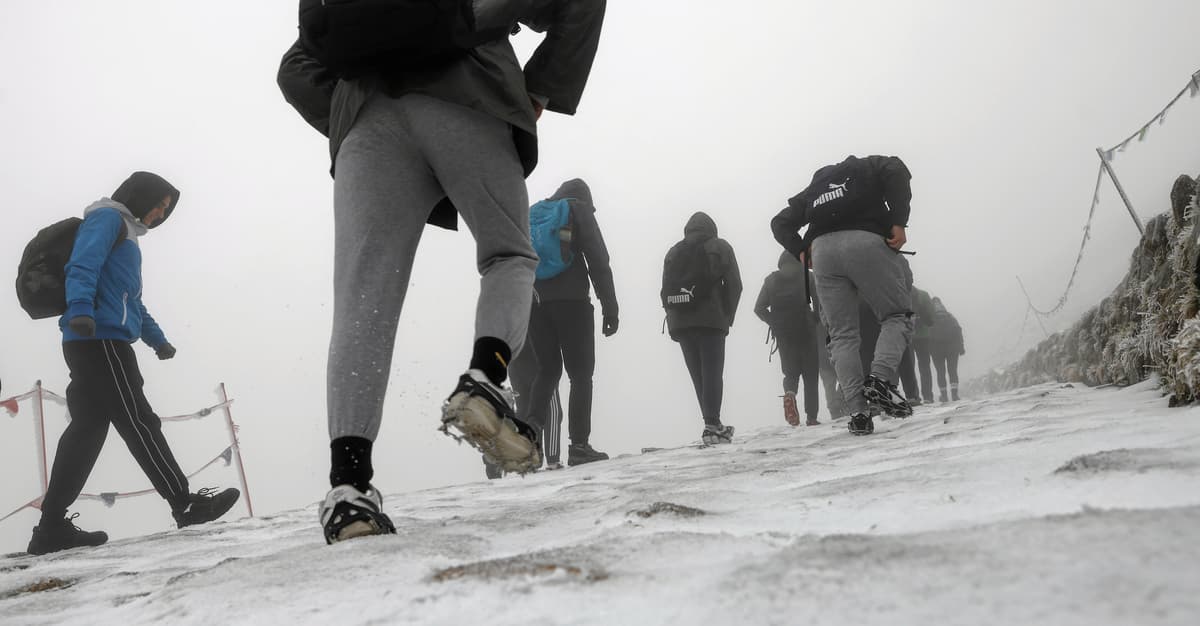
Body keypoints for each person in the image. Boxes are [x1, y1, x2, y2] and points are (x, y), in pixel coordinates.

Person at [277, 1, 607, 543]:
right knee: (507, 255)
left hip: (365, 119)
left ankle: (349, 489)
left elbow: (295, 64)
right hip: (470, 95)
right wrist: (538, 90)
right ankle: (484, 379)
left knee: (364, 302)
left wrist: (345, 115)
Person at [28, 172, 241, 556]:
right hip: (99, 338)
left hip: (98, 338)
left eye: (167, 210)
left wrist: (158, 340)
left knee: (87, 431)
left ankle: (50, 529)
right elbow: (82, 264)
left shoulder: (126, 234)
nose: (161, 213)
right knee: (138, 420)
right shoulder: (108, 219)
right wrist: (79, 309)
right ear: (140, 196)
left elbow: (132, 302)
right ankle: (184, 503)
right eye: (160, 204)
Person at [771, 154, 914, 436]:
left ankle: (858, 412)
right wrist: (898, 221)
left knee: (842, 335)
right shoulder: (869, 166)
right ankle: (880, 380)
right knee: (897, 315)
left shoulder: (815, 190)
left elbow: (779, 222)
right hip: (866, 240)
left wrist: (800, 249)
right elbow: (897, 169)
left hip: (823, 252)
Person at [522, 179, 618, 467]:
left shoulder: (534, 213)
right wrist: (610, 307)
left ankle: (528, 434)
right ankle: (579, 446)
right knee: (580, 374)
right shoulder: (578, 210)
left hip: (534, 302)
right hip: (572, 302)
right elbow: (598, 259)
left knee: (548, 369)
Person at [662, 212, 743, 444]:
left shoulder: (673, 251)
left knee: (698, 375)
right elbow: (735, 285)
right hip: (711, 319)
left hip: (681, 321)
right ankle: (712, 424)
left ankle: (711, 423)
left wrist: (672, 316)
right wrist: (727, 316)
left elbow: (664, 289)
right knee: (712, 372)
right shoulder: (720, 247)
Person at [754, 251, 820, 426]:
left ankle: (790, 394)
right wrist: (815, 319)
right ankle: (812, 417)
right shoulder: (808, 276)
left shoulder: (771, 280)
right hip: (806, 329)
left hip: (784, 333)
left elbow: (758, 308)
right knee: (811, 374)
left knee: (790, 371)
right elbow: (819, 303)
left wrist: (774, 322)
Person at [929, 297, 966, 402]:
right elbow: (958, 331)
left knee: (940, 372)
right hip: (952, 349)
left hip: (936, 351)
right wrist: (961, 347)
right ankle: (954, 395)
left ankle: (944, 395)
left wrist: (929, 349)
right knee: (952, 371)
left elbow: (928, 336)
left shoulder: (930, 319)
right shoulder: (950, 317)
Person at [911, 286, 937, 403]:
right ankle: (928, 396)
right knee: (925, 367)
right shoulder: (924, 294)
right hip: (923, 335)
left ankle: (913, 396)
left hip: (907, 335)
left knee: (909, 367)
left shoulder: (899, 293)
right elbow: (932, 314)